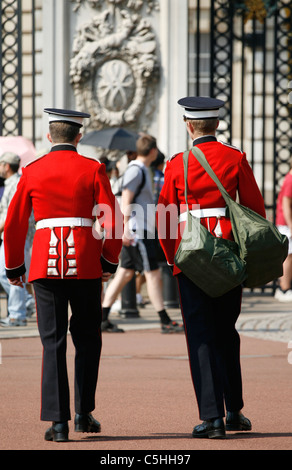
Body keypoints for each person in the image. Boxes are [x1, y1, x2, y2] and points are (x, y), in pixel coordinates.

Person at [3, 108, 123, 442]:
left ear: (48, 137)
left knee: (52, 342)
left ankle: (58, 423)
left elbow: (14, 223)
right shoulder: (93, 168)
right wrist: (109, 260)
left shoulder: (33, 170)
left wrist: (15, 266)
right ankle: (84, 413)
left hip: (44, 265)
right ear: (79, 137)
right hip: (85, 264)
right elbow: (112, 219)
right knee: (87, 339)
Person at [157, 96, 266, 439]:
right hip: (229, 254)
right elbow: (254, 209)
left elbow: (164, 218)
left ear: (189, 125)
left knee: (200, 337)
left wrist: (174, 257)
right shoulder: (235, 158)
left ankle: (212, 417)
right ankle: (234, 410)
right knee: (226, 333)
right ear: (216, 124)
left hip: (191, 257)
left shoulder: (177, 163)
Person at [101, 134, 183, 334]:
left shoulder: (138, 169)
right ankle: (164, 320)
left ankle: (102, 318)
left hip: (138, 229)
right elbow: (127, 198)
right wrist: (126, 228)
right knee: (153, 274)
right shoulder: (137, 170)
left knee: (124, 273)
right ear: (153, 151)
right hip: (138, 232)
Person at [0, 152, 35, 327]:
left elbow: (11, 214)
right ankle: (26, 302)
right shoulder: (12, 183)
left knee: (10, 273)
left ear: (6, 166)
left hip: (14, 234)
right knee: (6, 274)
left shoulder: (15, 183)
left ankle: (17, 314)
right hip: (14, 234)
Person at [274, 163, 292, 301]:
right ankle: (284, 289)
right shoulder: (290, 180)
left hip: (286, 224)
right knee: (288, 257)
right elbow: (286, 204)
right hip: (286, 225)